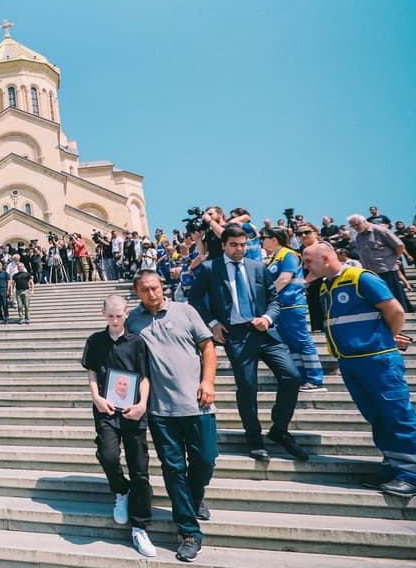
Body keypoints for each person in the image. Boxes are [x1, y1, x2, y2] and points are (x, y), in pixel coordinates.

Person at [303, 243, 416, 497]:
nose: (305, 267)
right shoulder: (326, 286)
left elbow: (394, 309)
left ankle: (413, 476)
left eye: (308, 261)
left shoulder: (360, 277)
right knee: (377, 415)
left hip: (377, 359)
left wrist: (386, 338)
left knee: (396, 413)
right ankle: (393, 467)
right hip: (351, 361)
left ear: (325, 258)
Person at [187, 224, 305, 462]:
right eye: (233, 245)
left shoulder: (258, 267)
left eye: (242, 245)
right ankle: (255, 439)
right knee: (248, 387)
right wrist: (212, 323)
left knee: (292, 376)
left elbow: (273, 299)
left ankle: (279, 429)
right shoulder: (210, 268)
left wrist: (268, 318)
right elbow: (194, 299)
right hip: (236, 335)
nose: (239, 249)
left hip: (265, 332)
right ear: (223, 245)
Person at [126, 271, 217, 563]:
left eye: (155, 288)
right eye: (145, 290)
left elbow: (207, 347)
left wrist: (208, 382)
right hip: (160, 410)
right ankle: (190, 532)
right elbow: (126, 361)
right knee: (173, 469)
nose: (152, 294)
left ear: (162, 287)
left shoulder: (185, 310)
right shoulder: (133, 322)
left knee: (205, 459)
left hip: (197, 403)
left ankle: (194, 497)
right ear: (137, 293)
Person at [81, 294, 155, 557]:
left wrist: (143, 403)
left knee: (140, 468)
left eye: (119, 315)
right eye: (110, 315)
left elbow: (144, 377)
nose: (114, 320)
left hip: (133, 410)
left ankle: (140, 526)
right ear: (103, 314)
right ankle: (121, 490)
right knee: (108, 455)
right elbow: (91, 371)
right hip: (106, 409)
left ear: (126, 314)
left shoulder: (137, 342)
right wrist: (96, 397)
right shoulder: (95, 341)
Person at [260, 227, 325, 392]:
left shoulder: (289, 255)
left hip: (292, 305)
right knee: (291, 344)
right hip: (280, 307)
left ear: (274, 239)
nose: (262, 241)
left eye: (264, 237)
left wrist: (265, 296)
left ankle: (315, 379)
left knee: (302, 341)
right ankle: (301, 377)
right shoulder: (274, 258)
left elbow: (284, 279)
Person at [348, 214, 412, 312]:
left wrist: (394, 259)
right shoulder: (359, 237)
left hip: (386, 269)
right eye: (352, 226)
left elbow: (399, 246)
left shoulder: (380, 230)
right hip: (371, 272)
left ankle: (404, 315)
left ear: (364, 222)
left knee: (395, 294)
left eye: (356, 225)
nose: (355, 228)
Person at [11, 260, 34, 324]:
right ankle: (21, 318)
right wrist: (11, 291)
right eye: (18, 267)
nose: (19, 268)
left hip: (26, 291)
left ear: (23, 267)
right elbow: (13, 284)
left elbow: (31, 283)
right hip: (18, 292)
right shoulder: (15, 275)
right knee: (20, 306)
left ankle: (27, 318)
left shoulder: (27, 274)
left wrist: (32, 290)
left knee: (26, 305)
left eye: (21, 266)